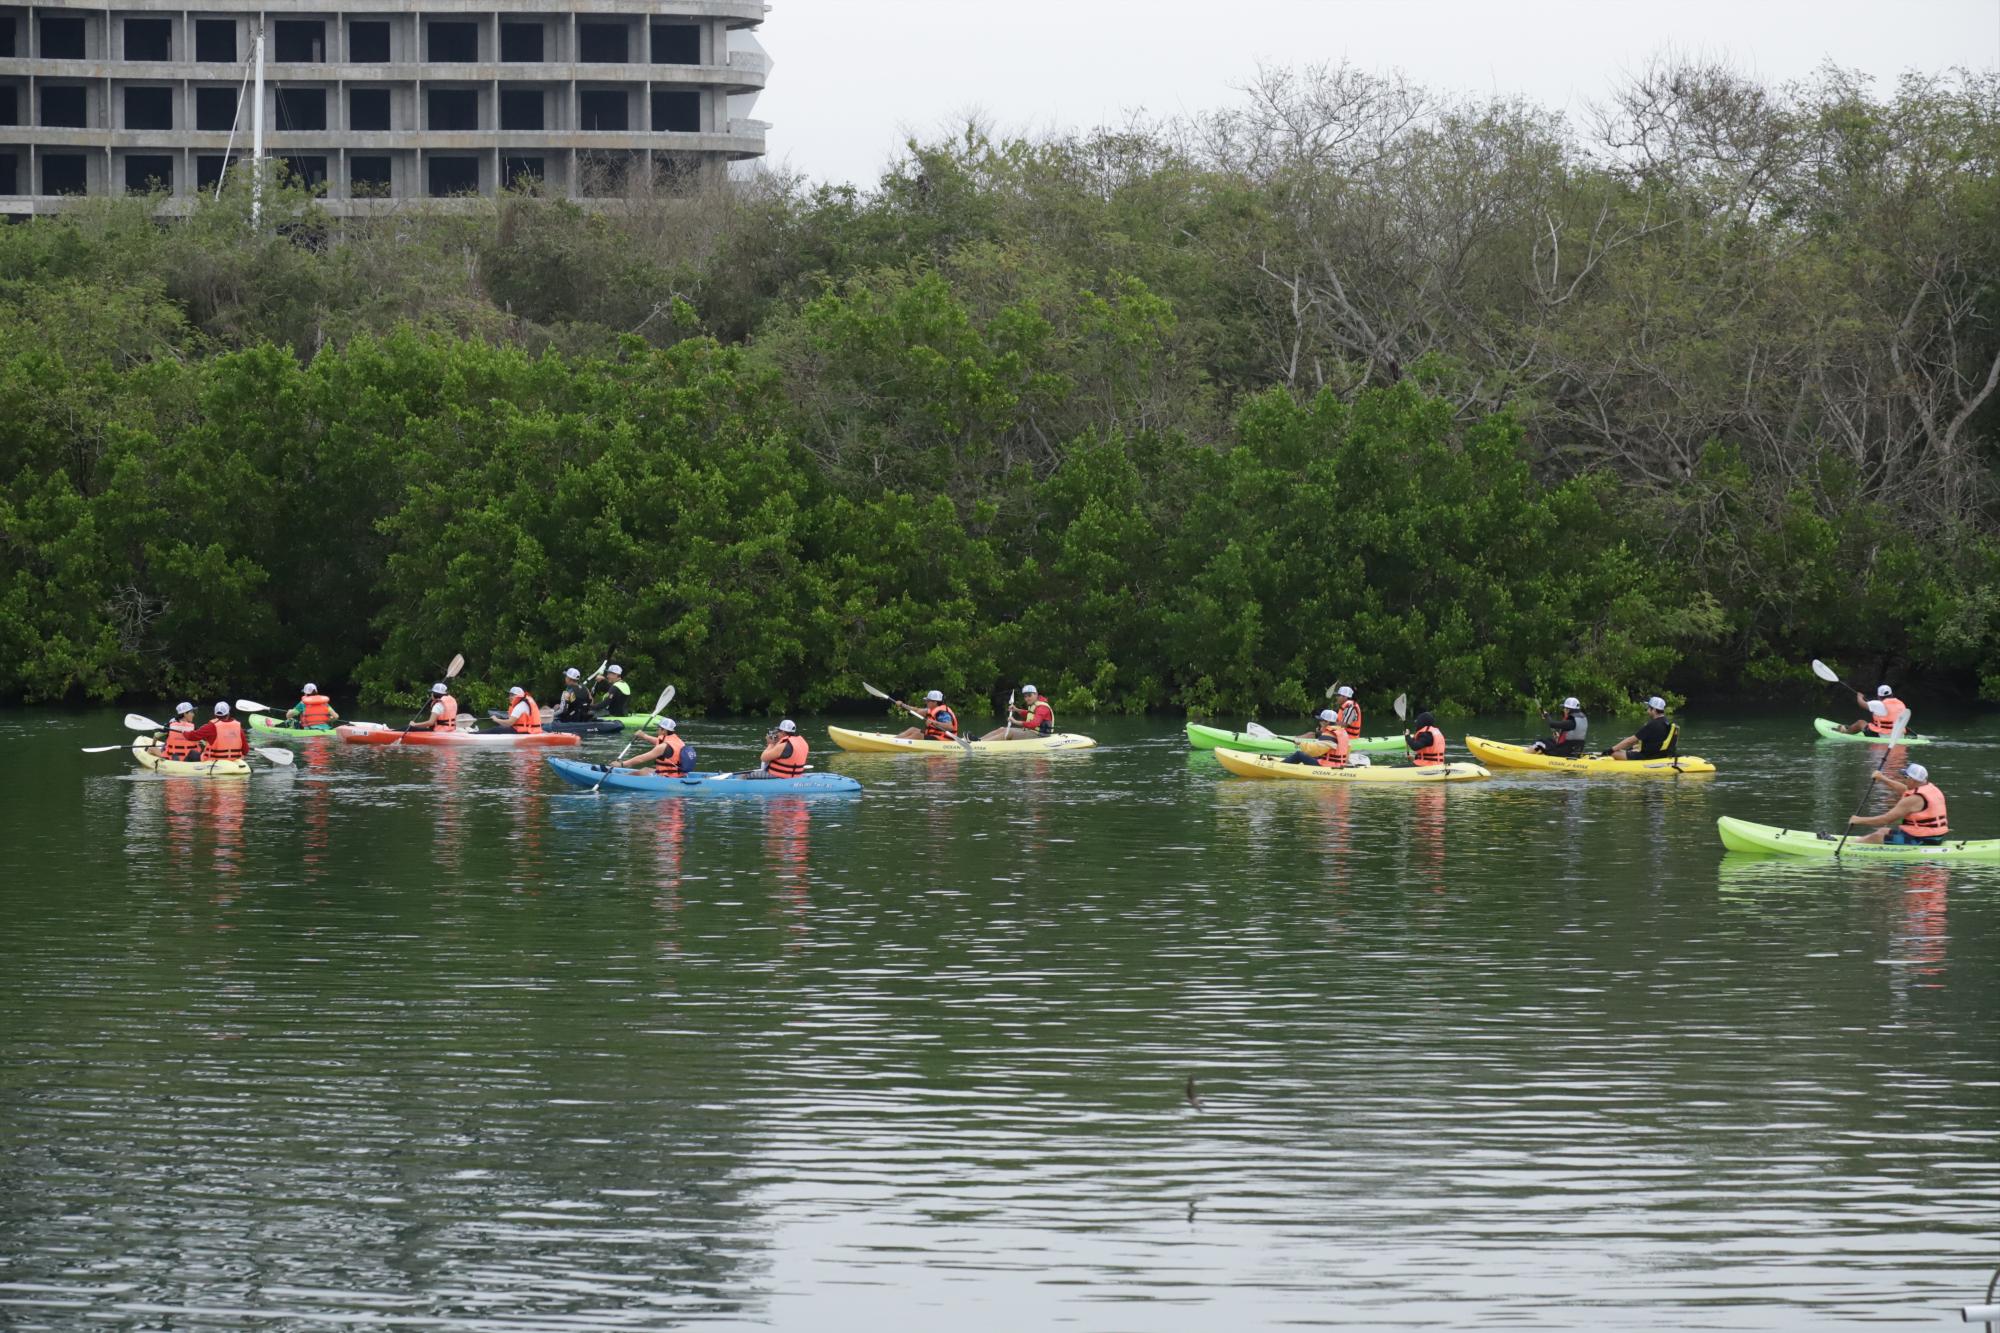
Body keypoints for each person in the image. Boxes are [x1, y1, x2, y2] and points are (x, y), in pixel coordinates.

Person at [1847, 762, 1949, 845]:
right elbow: (1904, 789)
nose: (1903, 779)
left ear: (1911, 779)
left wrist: (1858, 820)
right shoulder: (1930, 788)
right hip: (1934, 836)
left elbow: (1885, 819)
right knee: (1883, 831)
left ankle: (1852, 845)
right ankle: (1857, 841)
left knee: (1877, 837)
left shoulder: (1912, 800)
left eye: (1905, 777)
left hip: (1923, 840)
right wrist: (1883, 778)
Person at [616, 717, 692, 777]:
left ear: (664, 730)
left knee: (642, 772)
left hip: (668, 777)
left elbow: (641, 759)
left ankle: (619, 778)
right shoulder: (678, 741)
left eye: (658, 728)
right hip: (679, 775)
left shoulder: (663, 747)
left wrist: (622, 764)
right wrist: (644, 736)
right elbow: (657, 741)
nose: (657, 729)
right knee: (645, 770)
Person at [1609, 696, 1678, 760]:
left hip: (1647, 756)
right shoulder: (1665, 722)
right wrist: (1632, 748)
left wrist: (1611, 750)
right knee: (1633, 748)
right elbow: (1654, 742)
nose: (1647, 710)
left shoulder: (1652, 724)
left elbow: (1630, 741)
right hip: (1658, 754)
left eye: (1648, 708)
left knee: (1614, 753)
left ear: (1653, 710)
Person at [980, 684, 1055, 741]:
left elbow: (1033, 724)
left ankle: (982, 744)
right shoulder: (1035, 704)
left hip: (1040, 735)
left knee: (1009, 732)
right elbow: (1029, 714)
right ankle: (978, 740)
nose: (1027, 698)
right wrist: (1017, 710)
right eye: (1025, 696)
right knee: (1002, 729)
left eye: (1029, 695)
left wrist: (1015, 721)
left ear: (1036, 694)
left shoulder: (1042, 707)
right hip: (1032, 732)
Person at [178, 701, 248, 761]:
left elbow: (192, 736)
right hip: (234, 761)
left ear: (215, 714)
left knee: (192, 753)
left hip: (214, 761)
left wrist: (184, 732)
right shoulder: (238, 726)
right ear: (228, 714)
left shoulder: (211, 726)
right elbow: (245, 750)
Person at [1285, 708, 1351, 767]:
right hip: (1339, 764)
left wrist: (1301, 743)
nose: (1319, 722)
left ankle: (1280, 766)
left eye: (1321, 720)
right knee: (1312, 756)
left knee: (1299, 754)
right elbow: (1348, 748)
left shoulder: (1330, 734)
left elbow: (1315, 750)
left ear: (1327, 722)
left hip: (1327, 765)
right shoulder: (1342, 732)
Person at [1838, 684, 1908, 736]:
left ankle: (1845, 732)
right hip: (1899, 734)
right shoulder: (1901, 704)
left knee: (1861, 723)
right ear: (1892, 694)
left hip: (1882, 735)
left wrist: (1859, 696)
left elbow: (1862, 704)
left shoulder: (1878, 704)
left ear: (1879, 696)